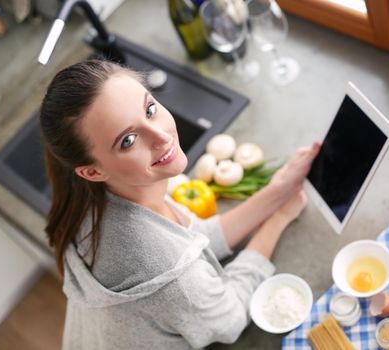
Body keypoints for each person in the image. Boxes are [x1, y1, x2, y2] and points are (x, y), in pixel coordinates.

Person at [40, 59, 320, 350]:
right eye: (129, 140)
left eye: (150, 109)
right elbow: (231, 318)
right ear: (93, 171)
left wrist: (279, 189)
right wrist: (277, 221)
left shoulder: (94, 198)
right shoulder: (168, 273)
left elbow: (193, 239)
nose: (162, 136)